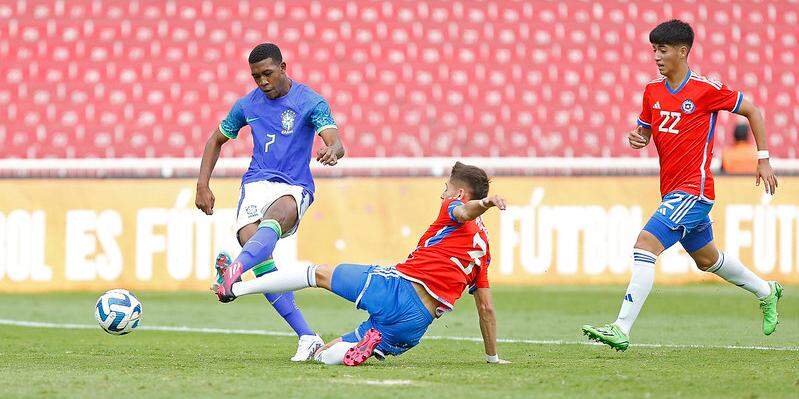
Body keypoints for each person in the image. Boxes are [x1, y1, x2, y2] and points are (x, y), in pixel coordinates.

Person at [582, 20, 782, 351]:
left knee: (645, 245)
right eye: (654, 50)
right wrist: (638, 138)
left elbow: (753, 110)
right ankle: (766, 291)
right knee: (707, 259)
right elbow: (644, 131)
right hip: (672, 189)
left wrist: (763, 158)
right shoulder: (652, 91)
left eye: (662, 50)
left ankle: (621, 327)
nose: (656, 57)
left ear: (682, 51)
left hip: (694, 190)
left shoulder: (706, 90)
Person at [214, 162, 510, 366]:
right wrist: (492, 358)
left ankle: (235, 288)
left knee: (315, 273)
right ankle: (356, 350)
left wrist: (484, 204)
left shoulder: (453, 209)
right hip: (415, 324)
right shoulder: (483, 251)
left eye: (446, 188)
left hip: (397, 289)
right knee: (325, 354)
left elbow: (463, 212)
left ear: (458, 194)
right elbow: (486, 308)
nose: (442, 193)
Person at [195, 42, 345, 361]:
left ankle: (232, 275)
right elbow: (215, 140)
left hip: (294, 186)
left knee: (274, 220)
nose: (262, 82)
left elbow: (335, 140)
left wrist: (332, 150)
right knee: (257, 251)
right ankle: (307, 336)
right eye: (256, 77)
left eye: (267, 74)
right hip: (255, 184)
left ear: (283, 67)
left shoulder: (309, 101)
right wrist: (202, 184)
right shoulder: (247, 105)